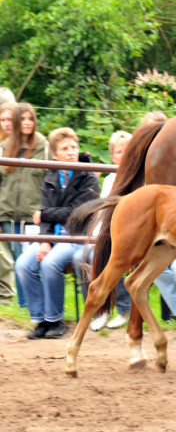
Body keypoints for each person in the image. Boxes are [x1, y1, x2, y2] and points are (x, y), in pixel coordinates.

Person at [15, 127, 100, 339]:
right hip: (51, 236)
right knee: (23, 265)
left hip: (75, 236)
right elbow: (45, 214)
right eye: (65, 149)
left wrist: (44, 215)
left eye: (74, 147)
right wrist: (44, 240)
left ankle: (55, 320)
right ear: (55, 154)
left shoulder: (88, 176)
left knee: (49, 263)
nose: (71, 152)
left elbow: (76, 214)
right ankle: (40, 320)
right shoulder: (50, 176)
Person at [0, 103, 51, 307]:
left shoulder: (43, 147)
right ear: (16, 122)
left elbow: (50, 182)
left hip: (34, 214)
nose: (27, 123)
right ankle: (24, 304)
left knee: (31, 260)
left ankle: (32, 303)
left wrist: (45, 212)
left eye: (30, 119)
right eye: (23, 119)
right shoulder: (4, 148)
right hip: (8, 213)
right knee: (15, 257)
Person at [85, 130, 134, 331]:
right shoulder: (108, 181)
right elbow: (102, 211)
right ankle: (101, 309)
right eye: (120, 151)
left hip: (133, 232)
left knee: (118, 256)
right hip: (111, 230)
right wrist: (97, 236)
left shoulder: (140, 178)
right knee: (90, 256)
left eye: (129, 150)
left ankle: (124, 310)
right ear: (113, 156)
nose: (124, 155)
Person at [0, 103, 17, 303]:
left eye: (9, 120)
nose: (6, 124)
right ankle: (6, 294)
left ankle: (12, 296)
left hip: (20, 207)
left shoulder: (29, 145)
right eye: (2, 120)